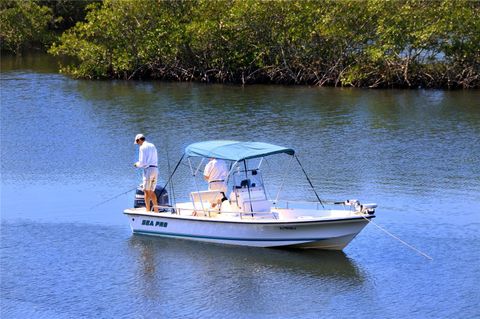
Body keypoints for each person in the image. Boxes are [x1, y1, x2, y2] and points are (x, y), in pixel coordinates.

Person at [134, 134, 159, 212]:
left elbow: (142, 162)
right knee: (151, 191)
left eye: (137, 142)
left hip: (148, 170)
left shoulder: (142, 147)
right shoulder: (152, 145)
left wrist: (136, 165)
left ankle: (147, 211)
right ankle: (156, 211)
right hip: (155, 169)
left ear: (139, 140)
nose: (138, 144)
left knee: (146, 190)